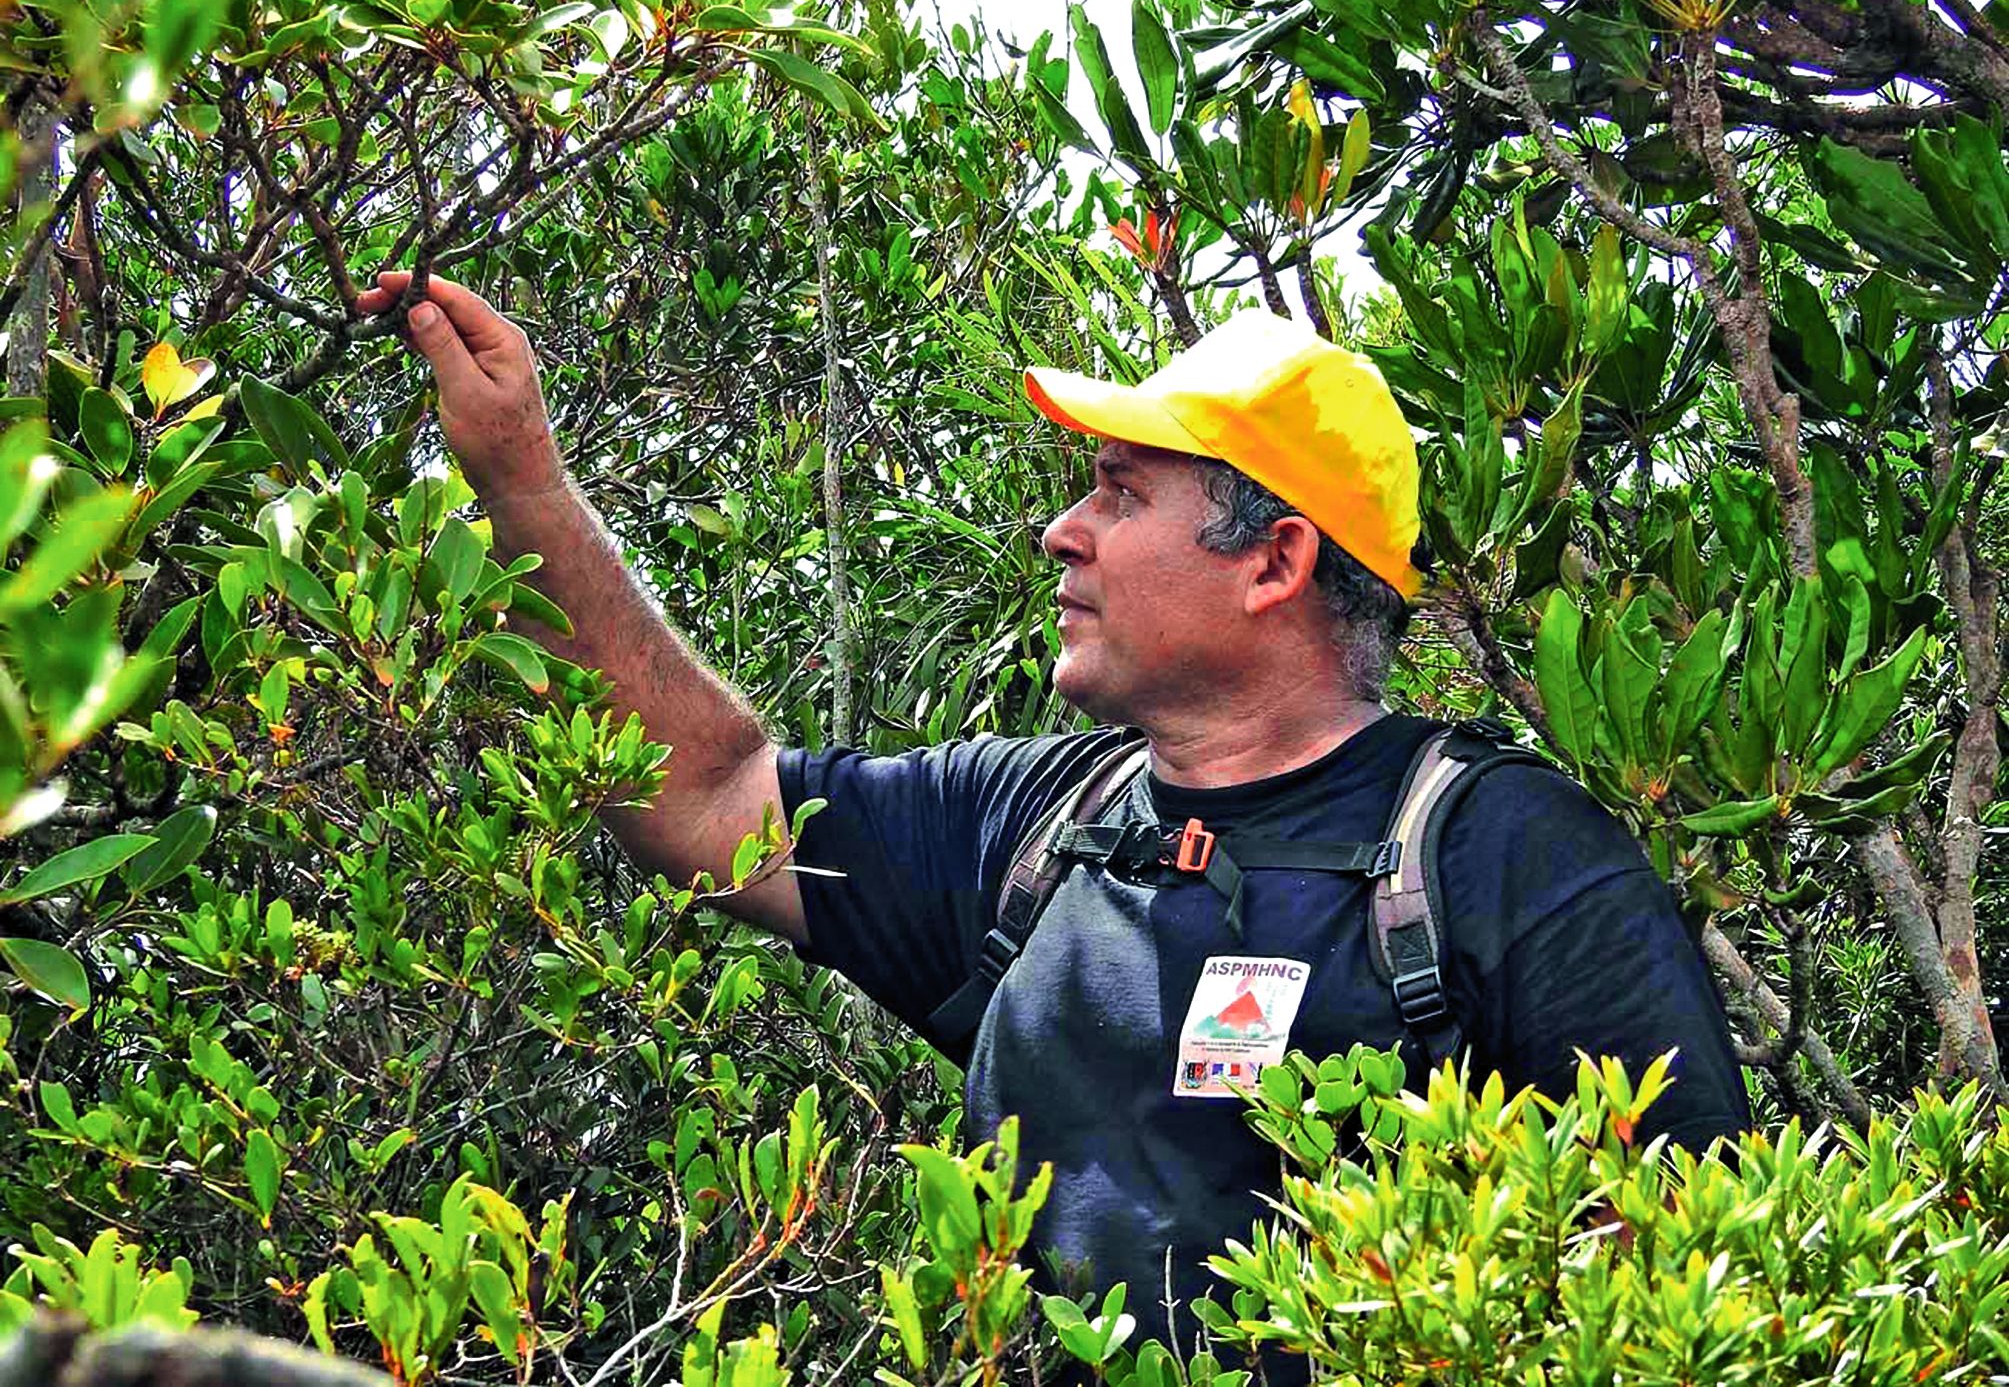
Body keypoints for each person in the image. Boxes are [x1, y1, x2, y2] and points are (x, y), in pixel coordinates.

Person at [359, 273, 1751, 1361]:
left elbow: (1694, 1295)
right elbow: (707, 800)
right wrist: (523, 478)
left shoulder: (1503, 859)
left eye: (1120, 492)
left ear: (1275, 561)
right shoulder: (1033, 817)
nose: (1062, 532)